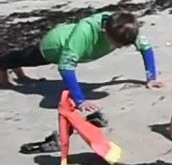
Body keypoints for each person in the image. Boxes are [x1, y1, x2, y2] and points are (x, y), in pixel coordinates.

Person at [0, 11, 161, 113]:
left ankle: (16, 71)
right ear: (104, 32)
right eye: (117, 44)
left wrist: (151, 78)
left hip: (71, 45)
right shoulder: (84, 32)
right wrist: (80, 100)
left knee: (23, 58)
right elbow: (65, 67)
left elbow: (146, 48)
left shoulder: (123, 27)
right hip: (53, 47)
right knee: (26, 58)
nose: (119, 47)